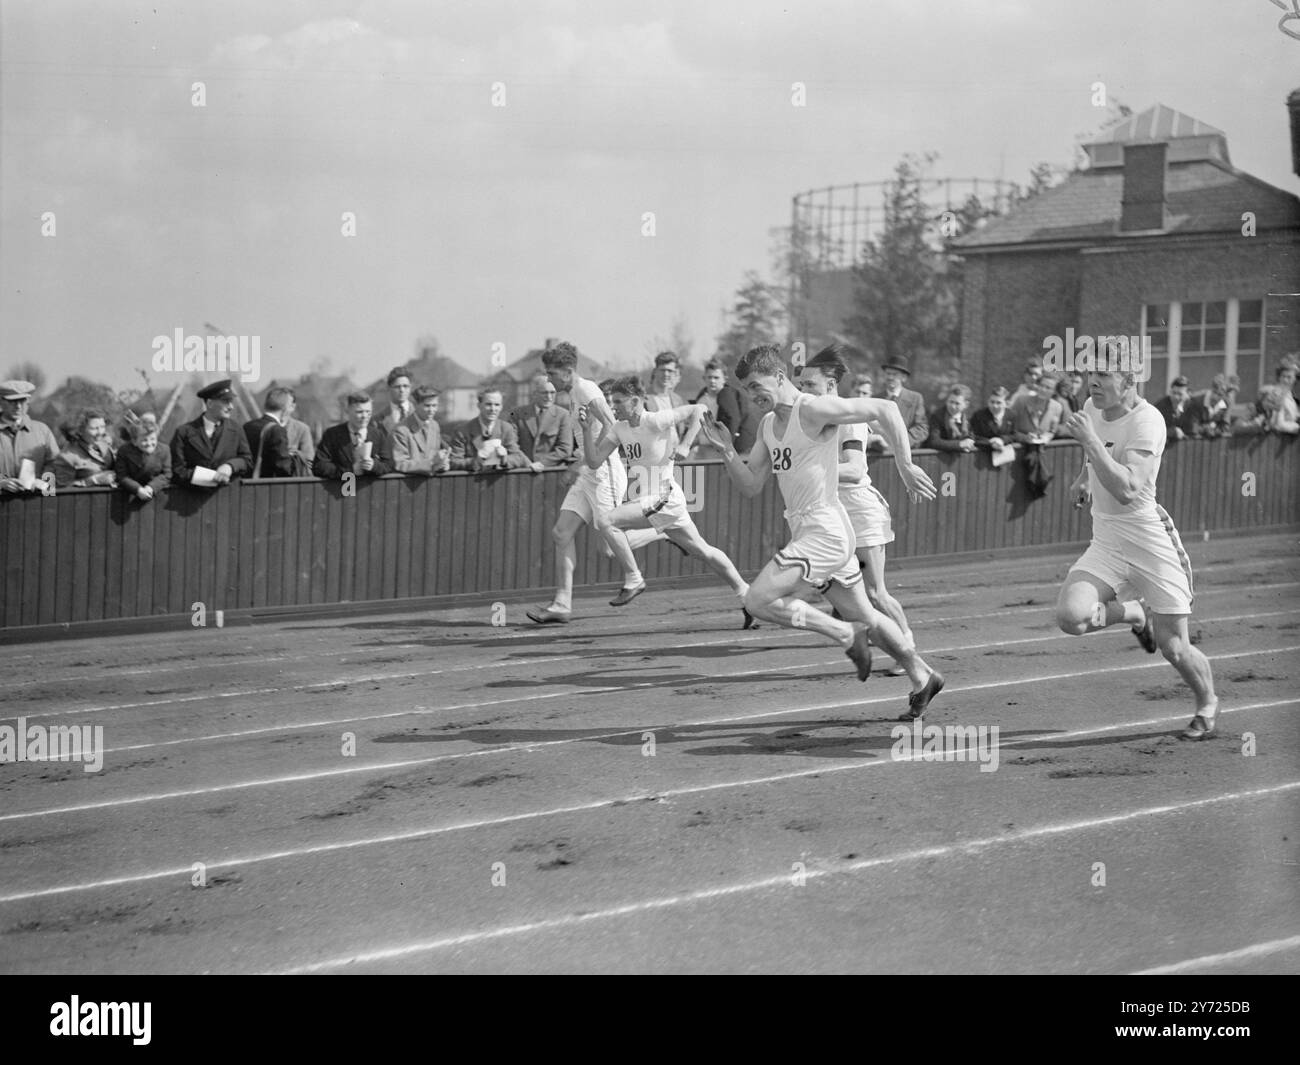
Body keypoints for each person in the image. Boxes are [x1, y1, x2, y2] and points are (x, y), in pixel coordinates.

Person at [696, 344, 945, 720]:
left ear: (779, 378)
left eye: (755, 386)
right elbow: (750, 486)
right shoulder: (767, 425)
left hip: (825, 529)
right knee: (869, 617)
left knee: (757, 600)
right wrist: (728, 452)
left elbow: (887, 408)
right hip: (810, 530)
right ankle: (921, 675)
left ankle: (846, 636)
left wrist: (905, 464)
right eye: (745, 390)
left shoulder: (811, 409)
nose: (751, 396)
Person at [1058, 363, 1218, 740]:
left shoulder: (1149, 422)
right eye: (1090, 374)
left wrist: (1092, 443)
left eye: (1104, 375)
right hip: (1107, 541)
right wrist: (1083, 479)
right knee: (1071, 617)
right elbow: (1094, 454)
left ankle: (1207, 702)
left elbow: (1128, 489)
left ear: (1130, 381)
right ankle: (1133, 613)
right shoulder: (1093, 407)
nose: (1093, 382)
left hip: (1149, 543)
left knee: (1174, 647)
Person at [796, 348, 927, 679]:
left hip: (860, 509)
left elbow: (854, 471)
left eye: (810, 384)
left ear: (831, 385)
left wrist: (806, 468)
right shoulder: (812, 418)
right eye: (801, 384)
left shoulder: (849, 420)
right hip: (831, 512)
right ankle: (860, 635)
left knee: (875, 593)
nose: (803, 390)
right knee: (834, 590)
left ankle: (907, 648)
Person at [578, 376, 751, 621]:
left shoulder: (655, 420)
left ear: (635, 401)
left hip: (664, 498)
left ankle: (634, 579)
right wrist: (587, 431)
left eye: (618, 401)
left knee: (606, 521)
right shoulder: (619, 428)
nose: (612, 406)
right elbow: (594, 461)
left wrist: (686, 444)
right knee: (704, 551)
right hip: (657, 502)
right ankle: (747, 595)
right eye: (611, 401)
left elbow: (699, 409)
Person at [526, 342, 667, 624]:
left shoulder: (586, 389)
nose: (550, 380)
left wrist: (593, 460)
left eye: (552, 373)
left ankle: (658, 538)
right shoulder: (573, 393)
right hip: (589, 473)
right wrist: (580, 465)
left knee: (606, 547)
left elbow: (611, 423)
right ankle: (562, 605)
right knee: (561, 533)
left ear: (568, 371)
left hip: (605, 473)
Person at [171, 379, 253, 488]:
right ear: (210, 403)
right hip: (194, 498)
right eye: (225, 401)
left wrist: (230, 466)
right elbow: (177, 470)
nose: (231, 407)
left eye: (231, 401)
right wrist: (209, 477)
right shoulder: (184, 432)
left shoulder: (236, 429)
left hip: (229, 496)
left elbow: (247, 461)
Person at [313, 391, 394, 480]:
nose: (365, 416)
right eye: (359, 412)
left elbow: (389, 465)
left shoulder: (378, 435)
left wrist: (374, 465)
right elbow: (319, 466)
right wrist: (349, 471)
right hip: (339, 491)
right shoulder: (332, 435)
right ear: (348, 411)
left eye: (368, 412)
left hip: (370, 491)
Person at [448, 388, 531, 472]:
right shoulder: (462, 431)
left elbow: (518, 457)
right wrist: (476, 461)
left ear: (501, 407)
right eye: (488, 404)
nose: (493, 409)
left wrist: (504, 460)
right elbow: (453, 462)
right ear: (479, 405)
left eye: (497, 405)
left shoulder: (506, 428)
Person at [0, 379, 58, 496]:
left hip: (36, 505)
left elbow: (56, 464)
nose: (18, 406)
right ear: (1, 402)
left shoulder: (42, 431)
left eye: (22, 400)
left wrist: (44, 482)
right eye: (13, 401)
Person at [510, 373, 576, 468]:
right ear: (534, 394)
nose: (549, 397)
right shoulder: (516, 414)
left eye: (552, 393)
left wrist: (542, 464)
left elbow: (565, 449)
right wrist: (527, 464)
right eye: (544, 393)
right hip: (523, 470)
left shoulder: (563, 415)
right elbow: (511, 444)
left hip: (551, 472)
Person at [694, 360, 757, 454]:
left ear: (724, 379)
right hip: (707, 445)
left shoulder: (727, 395)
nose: (712, 381)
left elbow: (733, 421)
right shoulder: (701, 399)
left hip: (736, 449)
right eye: (709, 377)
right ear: (704, 378)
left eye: (716, 378)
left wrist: (726, 446)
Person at [392, 385, 450, 475]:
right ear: (415, 405)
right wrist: (432, 462)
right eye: (427, 406)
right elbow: (400, 464)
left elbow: (434, 461)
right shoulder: (401, 430)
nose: (431, 410)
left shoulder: (435, 426)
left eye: (434, 405)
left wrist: (443, 464)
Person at [53, 409, 117, 487]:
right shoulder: (66, 456)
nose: (100, 432)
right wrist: (94, 480)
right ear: (79, 430)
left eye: (102, 427)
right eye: (94, 428)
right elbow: (63, 488)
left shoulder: (105, 443)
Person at [114, 414, 171, 502]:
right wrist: (138, 489)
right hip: (130, 495)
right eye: (144, 440)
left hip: (156, 496)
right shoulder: (124, 451)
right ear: (134, 441)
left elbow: (167, 474)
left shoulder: (164, 450)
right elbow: (122, 476)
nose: (149, 443)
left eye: (153, 439)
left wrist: (151, 487)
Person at [879, 356, 930, 449]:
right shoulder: (876, 399)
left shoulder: (915, 398)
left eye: (894, 374)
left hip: (906, 452)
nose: (890, 377)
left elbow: (922, 428)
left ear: (904, 378)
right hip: (880, 453)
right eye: (888, 373)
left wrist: (901, 442)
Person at [243, 387, 294, 478]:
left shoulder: (247, 426)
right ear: (284, 409)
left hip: (246, 483)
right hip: (268, 486)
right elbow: (283, 467)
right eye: (290, 406)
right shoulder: (277, 430)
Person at [926, 385, 976, 452]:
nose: (953, 406)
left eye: (957, 403)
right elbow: (934, 441)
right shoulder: (937, 416)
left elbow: (971, 437)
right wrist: (959, 444)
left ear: (966, 405)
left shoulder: (968, 418)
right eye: (951, 402)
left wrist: (970, 442)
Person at [1186, 373, 1237, 438]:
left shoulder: (1226, 402)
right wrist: (1206, 429)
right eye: (1219, 394)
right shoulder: (1197, 401)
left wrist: (1215, 430)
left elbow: (1225, 426)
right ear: (1212, 390)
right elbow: (1192, 427)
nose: (1223, 399)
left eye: (1225, 395)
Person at [971, 386, 1016, 453]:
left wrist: (1002, 440)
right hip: (983, 454)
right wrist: (990, 443)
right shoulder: (979, 415)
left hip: (1005, 455)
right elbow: (974, 435)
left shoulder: (1012, 416)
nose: (994, 406)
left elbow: (1015, 435)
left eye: (998, 403)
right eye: (992, 402)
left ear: (1006, 403)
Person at [1153, 376, 1196, 442]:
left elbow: (1193, 431)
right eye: (1173, 393)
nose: (1175, 397)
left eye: (1180, 394)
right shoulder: (1160, 406)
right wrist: (1171, 432)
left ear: (1188, 394)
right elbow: (1153, 429)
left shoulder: (1192, 406)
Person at [282, 389, 315, 470]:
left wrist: (294, 454)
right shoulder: (263, 426)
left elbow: (309, 460)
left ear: (293, 407)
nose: (280, 406)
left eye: (284, 403)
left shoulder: (302, 429)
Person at [376, 367, 414, 432]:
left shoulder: (420, 413)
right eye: (397, 387)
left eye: (405, 386)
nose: (402, 390)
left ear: (410, 387)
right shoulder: (378, 420)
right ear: (389, 388)